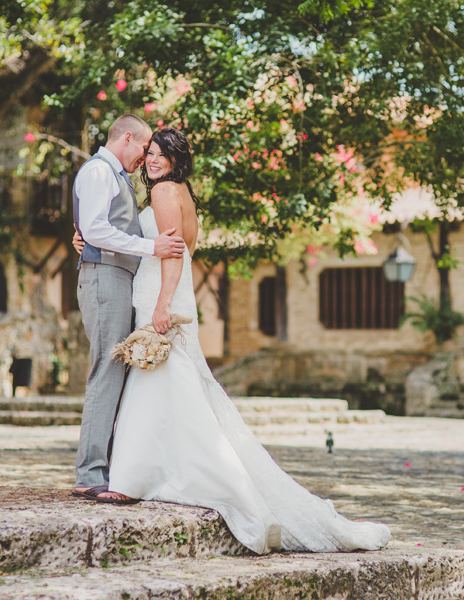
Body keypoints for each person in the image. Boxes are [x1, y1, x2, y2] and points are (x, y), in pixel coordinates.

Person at [79, 127, 391, 553]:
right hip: (163, 289)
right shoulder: (181, 193)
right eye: (149, 153)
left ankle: (137, 478)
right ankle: (143, 472)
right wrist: (92, 238)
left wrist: (163, 304)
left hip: (161, 294)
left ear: (175, 160)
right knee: (171, 383)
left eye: (160, 154)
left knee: (160, 381)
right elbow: (185, 247)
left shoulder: (164, 193)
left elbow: (172, 253)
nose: (151, 160)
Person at [72, 115, 186, 504]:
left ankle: (106, 467)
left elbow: (97, 230)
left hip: (117, 277)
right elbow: (97, 229)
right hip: (105, 277)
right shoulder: (100, 171)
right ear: (127, 138)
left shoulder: (116, 176)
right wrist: (149, 247)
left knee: (116, 370)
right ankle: (90, 473)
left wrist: (89, 239)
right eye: (144, 148)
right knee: (107, 367)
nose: (145, 157)